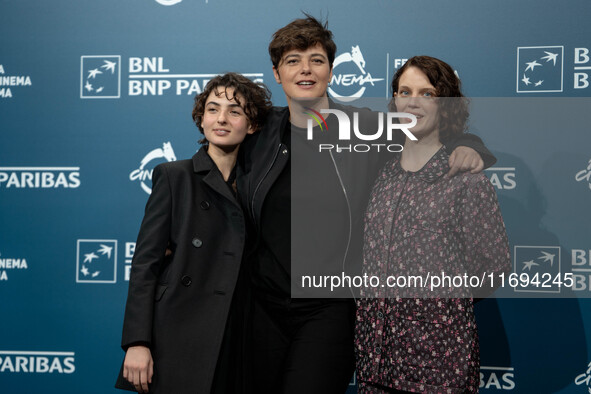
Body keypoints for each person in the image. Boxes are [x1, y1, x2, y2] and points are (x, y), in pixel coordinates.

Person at [237, 16, 497, 393]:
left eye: (316, 59)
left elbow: (431, 131)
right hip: (261, 306)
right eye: (293, 60)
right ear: (277, 74)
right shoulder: (257, 134)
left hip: (328, 307)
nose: (305, 69)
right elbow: (212, 179)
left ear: (330, 70)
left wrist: (470, 147)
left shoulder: (365, 128)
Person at [354, 56, 511, 393]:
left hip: (440, 360)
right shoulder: (380, 173)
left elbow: (493, 265)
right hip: (375, 356)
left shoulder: (466, 180)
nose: (413, 101)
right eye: (405, 91)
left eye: (427, 93)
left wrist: (441, 306)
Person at [117, 72, 272, 394]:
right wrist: (137, 342)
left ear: (252, 125)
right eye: (213, 109)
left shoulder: (259, 189)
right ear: (201, 120)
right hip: (176, 331)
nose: (222, 119)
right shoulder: (174, 177)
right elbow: (145, 265)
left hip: (239, 333)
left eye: (235, 111)